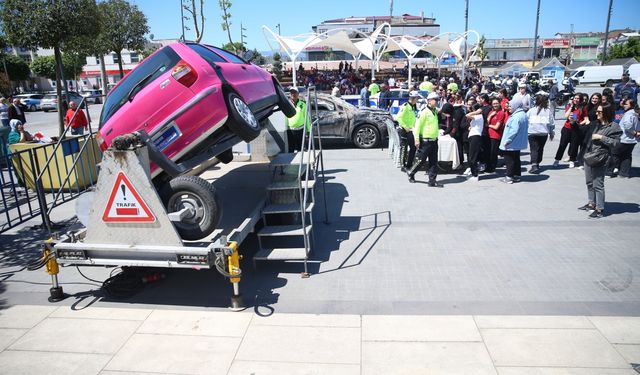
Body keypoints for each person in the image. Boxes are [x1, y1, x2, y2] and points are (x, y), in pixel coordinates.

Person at [579, 103, 621, 218]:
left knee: (598, 184)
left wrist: (601, 137)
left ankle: (599, 209)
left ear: (606, 113)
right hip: (589, 155)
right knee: (589, 182)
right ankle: (591, 203)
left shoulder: (614, 127)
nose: (597, 113)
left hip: (601, 157)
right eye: (597, 111)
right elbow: (582, 131)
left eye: (599, 112)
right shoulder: (595, 124)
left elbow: (616, 143)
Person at [407, 92, 442, 187]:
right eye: (435, 100)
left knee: (433, 162)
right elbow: (417, 127)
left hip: (434, 140)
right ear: (429, 101)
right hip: (425, 141)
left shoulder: (434, 111)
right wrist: (417, 139)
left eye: (437, 100)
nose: (437, 102)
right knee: (420, 160)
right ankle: (411, 172)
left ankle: (432, 181)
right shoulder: (424, 112)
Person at [499, 97, 529, 184]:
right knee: (516, 159)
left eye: (511, 106)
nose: (509, 108)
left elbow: (513, 130)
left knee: (509, 160)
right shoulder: (522, 114)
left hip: (512, 142)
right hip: (517, 142)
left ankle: (509, 177)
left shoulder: (516, 117)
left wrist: (507, 140)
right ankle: (516, 175)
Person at [607, 97, 639, 178]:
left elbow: (627, 125)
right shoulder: (636, 114)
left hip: (624, 138)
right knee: (626, 155)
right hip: (632, 140)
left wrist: (634, 133)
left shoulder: (629, 114)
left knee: (614, 153)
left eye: (626, 104)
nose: (624, 105)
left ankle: (610, 171)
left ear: (631, 105)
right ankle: (624, 173)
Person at [553, 95, 584, 168]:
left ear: (580, 100)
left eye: (578, 98)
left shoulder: (582, 108)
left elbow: (584, 118)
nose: (576, 100)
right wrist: (571, 107)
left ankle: (572, 160)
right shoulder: (570, 106)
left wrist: (579, 123)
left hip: (576, 128)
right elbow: (566, 116)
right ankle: (557, 159)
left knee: (574, 145)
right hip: (567, 128)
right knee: (562, 144)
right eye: (575, 98)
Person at [527, 94, 553, 174]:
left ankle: (534, 165)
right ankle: (537, 162)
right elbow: (551, 123)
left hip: (532, 133)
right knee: (540, 148)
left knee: (534, 149)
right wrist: (551, 132)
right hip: (543, 133)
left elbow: (526, 120)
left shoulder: (531, 110)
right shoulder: (548, 111)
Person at [396, 91, 420, 171]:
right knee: (404, 148)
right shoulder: (405, 106)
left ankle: (409, 164)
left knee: (413, 147)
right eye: (417, 98)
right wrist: (405, 127)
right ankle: (403, 166)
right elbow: (398, 118)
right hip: (404, 130)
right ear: (413, 98)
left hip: (411, 130)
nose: (417, 100)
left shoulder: (413, 106)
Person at [487, 98, 507, 173]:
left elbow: (496, 127)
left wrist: (489, 125)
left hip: (496, 135)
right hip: (489, 135)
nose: (495, 105)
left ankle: (493, 167)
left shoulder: (501, 113)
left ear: (499, 104)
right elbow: (487, 122)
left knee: (493, 152)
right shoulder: (491, 112)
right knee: (489, 152)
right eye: (493, 103)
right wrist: (490, 116)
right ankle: (489, 166)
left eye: (496, 103)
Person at [285, 87, 307, 153]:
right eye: (291, 93)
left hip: (301, 130)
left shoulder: (303, 104)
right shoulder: (287, 104)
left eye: (295, 93)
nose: (293, 94)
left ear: (298, 94)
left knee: (301, 149)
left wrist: (308, 130)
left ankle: (302, 163)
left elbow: (306, 117)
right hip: (290, 130)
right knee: (291, 149)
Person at [465, 103, 484, 181]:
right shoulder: (477, 117)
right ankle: (473, 173)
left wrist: (476, 112)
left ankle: (475, 175)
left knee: (473, 157)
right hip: (472, 136)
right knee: (471, 156)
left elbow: (467, 115)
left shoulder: (479, 116)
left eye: (472, 109)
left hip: (476, 137)